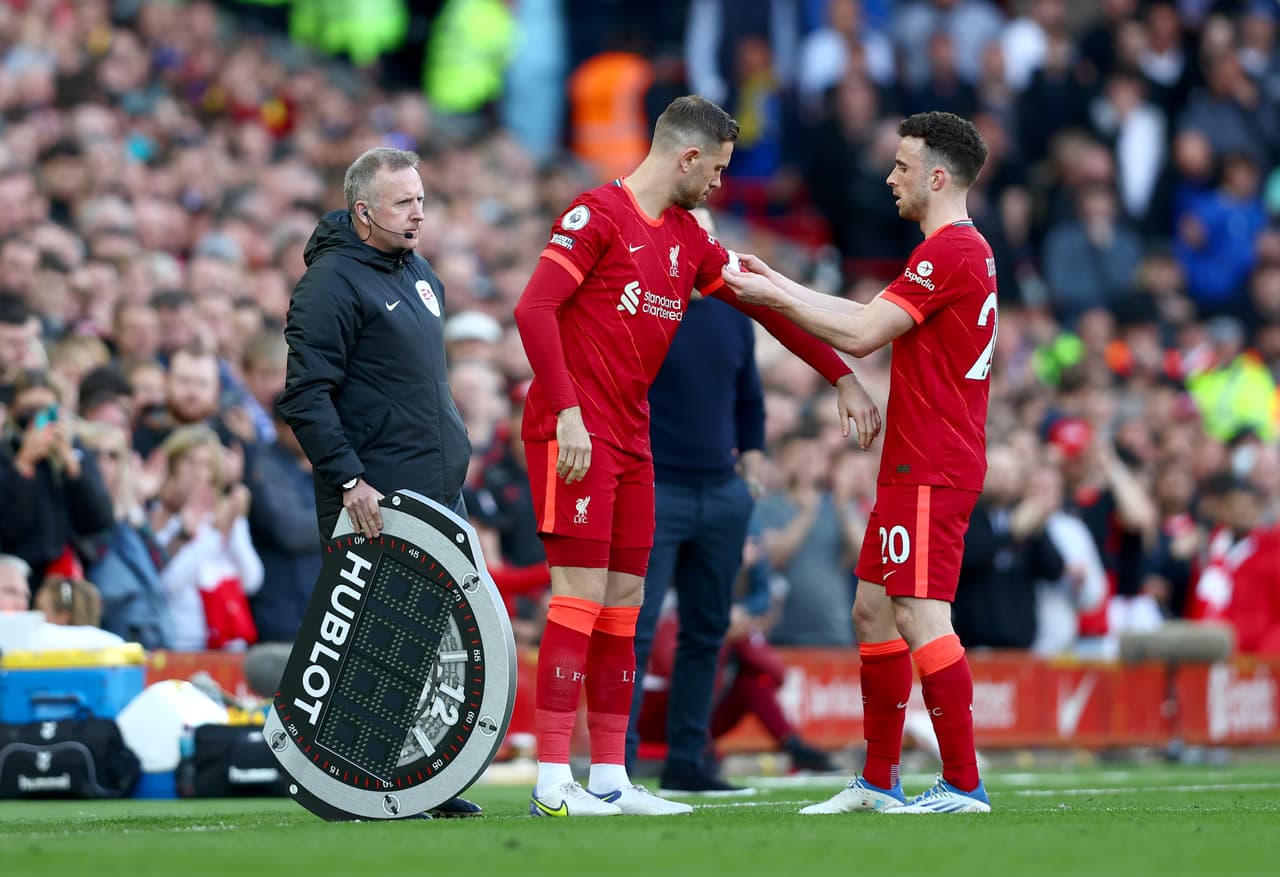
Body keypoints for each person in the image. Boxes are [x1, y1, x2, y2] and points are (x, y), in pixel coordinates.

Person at [514, 95, 881, 817]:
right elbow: (534, 309)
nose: (719, 184)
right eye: (716, 169)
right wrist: (567, 412)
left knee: (625, 606)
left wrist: (840, 373)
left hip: (633, 440)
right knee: (580, 598)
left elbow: (766, 306)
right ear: (687, 158)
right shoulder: (596, 214)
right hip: (574, 434)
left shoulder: (688, 239)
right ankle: (552, 781)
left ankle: (612, 778)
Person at [722, 111, 997, 814]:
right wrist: (780, 283)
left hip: (933, 461)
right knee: (873, 606)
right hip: (916, 459)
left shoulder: (951, 251)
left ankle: (964, 781)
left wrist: (775, 293)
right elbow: (869, 313)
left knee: (919, 613)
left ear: (938, 176)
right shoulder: (957, 251)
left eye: (902, 166)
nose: (890, 177)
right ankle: (879, 778)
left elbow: (865, 332)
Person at [276, 146, 480, 820]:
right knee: (375, 643)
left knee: (426, 647)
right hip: (376, 495)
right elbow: (306, 395)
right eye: (403, 203)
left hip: (435, 489)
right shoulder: (330, 283)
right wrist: (350, 479)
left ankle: (425, 779)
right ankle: (355, 785)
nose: (419, 211)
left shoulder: (420, 272)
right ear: (364, 212)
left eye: (421, 198)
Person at [622, 206, 766, 795]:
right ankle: (618, 764)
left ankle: (688, 757)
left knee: (708, 630)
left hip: (721, 490)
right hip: (656, 485)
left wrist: (751, 471)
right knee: (635, 625)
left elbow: (749, 400)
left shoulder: (733, 316)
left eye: (704, 229)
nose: (697, 239)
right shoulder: (643, 306)